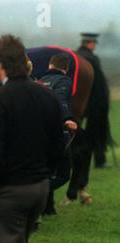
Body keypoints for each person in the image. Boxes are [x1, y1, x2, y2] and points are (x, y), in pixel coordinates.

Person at [0, 35, 65, 243]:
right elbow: (57, 147)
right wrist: (44, 176)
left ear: (0, 64)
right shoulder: (47, 96)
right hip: (39, 189)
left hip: (8, 193)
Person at [39, 53, 78, 215]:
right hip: (57, 131)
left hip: (39, 132)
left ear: (50, 65)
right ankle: (36, 192)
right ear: (66, 68)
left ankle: (48, 208)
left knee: (48, 169)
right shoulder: (63, 81)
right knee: (63, 173)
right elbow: (60, 99)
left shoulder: (40, 81)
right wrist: (67, 118)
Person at [77, 33, 113, 170]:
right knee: (97, 132)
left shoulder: (76, 56)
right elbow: (98, 84)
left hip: (80, 102)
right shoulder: (91, 58)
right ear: (91, 43)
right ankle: (100, 160)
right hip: (95, 103)